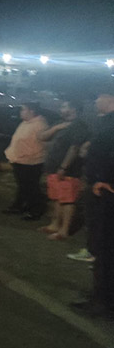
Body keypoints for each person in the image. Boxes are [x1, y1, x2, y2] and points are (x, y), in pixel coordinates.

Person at [71, 92, 114, 318]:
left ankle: (103, 300)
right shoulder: (106, 123)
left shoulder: (109, 124)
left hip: (106, 195)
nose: (95, 101)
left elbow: (102, 153)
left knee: (105, 248)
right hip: (103, 189)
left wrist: (104, 180)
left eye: (100, 97)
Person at [38, 100, 89, 240]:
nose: (60, 109)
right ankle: (55, 225)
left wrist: (64, 167)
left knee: (67, 200)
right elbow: (41, 136)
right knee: (56, 198)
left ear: (73, 109)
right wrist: (56, 128)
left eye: (64, 106)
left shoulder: (79, 126)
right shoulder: (60, 123)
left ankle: (64, 230)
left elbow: (74, 148)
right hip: (54, 168)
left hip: (68, 171)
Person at [3, 102, 48, 220]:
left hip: (31, 162)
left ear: (31, 111)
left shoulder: (39, 125)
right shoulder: (25, 123)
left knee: (31, 187)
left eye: (23, 110)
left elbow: (42, 144)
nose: (20, 112)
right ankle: (19, 206)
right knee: (23, 186)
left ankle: (35, 210)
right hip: (20, 160)